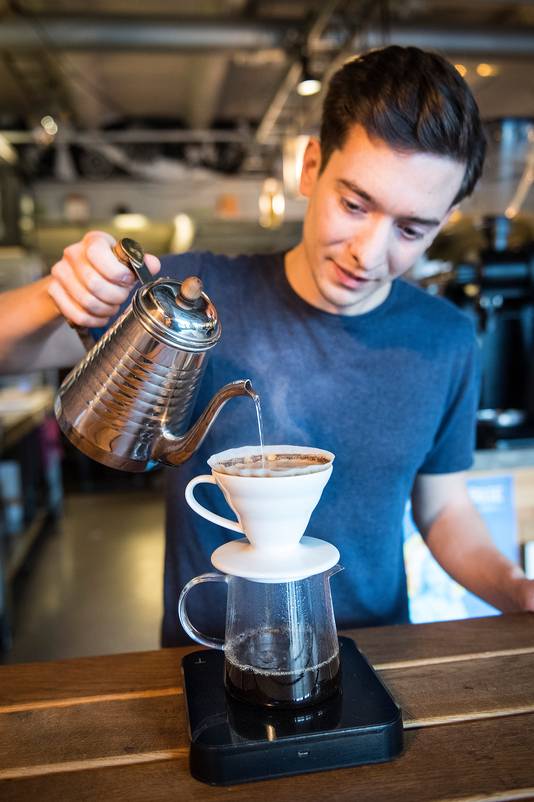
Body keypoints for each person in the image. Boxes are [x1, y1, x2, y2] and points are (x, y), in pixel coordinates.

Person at [1, 46, 533, 645]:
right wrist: (59, 292)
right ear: (311, 169)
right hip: (208, 651)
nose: (369, 251)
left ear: (444, 219)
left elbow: (443, 509)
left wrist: (516, 590)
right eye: (354, 204)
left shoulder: (447, 338)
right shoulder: (195, 297)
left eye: (411, 229)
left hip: (376, 650)